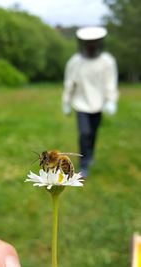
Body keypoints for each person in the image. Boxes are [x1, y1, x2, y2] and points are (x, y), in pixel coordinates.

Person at [62, 26, 119, 177]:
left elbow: (110, 82)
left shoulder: (107, 61)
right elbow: (69, 83)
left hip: (98, 103)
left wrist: (111, 100)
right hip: (81, 103)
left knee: (93, 133)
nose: (91, 45)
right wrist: (66, 102)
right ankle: (84, 164)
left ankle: (90, 154)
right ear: (83, 43)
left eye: (94, 42)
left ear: (99, 42)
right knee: (84, 133)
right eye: (89, 42)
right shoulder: (75, 62)